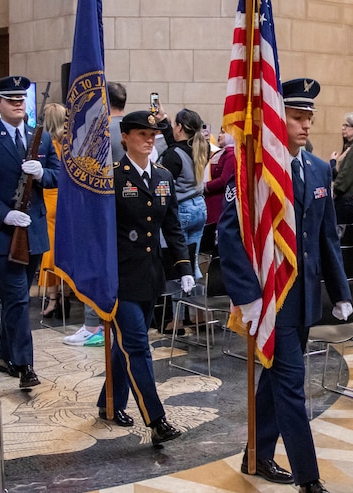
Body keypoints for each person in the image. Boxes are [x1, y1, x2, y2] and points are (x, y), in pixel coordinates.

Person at [218, 77, 352, 493]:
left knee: (276, 381)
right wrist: (248, 298)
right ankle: (308, 479)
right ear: (278, 120)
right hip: (273, 300)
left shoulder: (318, 168)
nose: (306, 124)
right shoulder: (255, 171)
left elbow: (326, 236)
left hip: (306, 296)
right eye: (297, 117)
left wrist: (342, 291)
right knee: (293, 385)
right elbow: (229, 235)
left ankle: (254, 456)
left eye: (309, 117)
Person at [100, 110, 195, 443]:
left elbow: (172, 225)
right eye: (142, 134)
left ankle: (107, 403)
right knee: (138, 345)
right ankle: (156, 420)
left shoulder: (163, 176)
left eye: (153, 134)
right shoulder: (112, 177)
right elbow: (101, 233)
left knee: (126, 344)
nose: (149, 139)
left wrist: (183, 267)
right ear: (125, 137)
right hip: (122, 276)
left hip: (151, 273)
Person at [0, 75, 60, 389]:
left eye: (21, 99)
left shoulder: (40, 139)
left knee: (15, 300)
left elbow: (57, 176)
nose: (18, 104)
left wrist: (43, 172)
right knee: (18, 299)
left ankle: (5, 355)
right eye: (11, 99)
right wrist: (5, 214)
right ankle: (24, 364)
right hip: (3, 234)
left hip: (34, 233)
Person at [158, 107, 208, 279]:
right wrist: (164, 120)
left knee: (177, 263)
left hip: (181, 210)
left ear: (179, 127)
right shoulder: (202, 148)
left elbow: (164, 187)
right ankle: (194, 300)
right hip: (199, 207)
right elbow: (176, 145)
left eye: (173, 125)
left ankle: (178, 303)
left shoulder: (172, 155)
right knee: (192, 262)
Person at [37, 102, 70, 319]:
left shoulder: (43, 142)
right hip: (68, 200)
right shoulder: (71, 141)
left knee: (49, 251)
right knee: (67, 248)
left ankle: (53, 299)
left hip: (49, 198)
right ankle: (67, 297)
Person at [203, 128, 236, 225]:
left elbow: (224, 180)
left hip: (218, 202)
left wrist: (204, 186)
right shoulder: (220, 152)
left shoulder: (231, 154)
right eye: (220, 131)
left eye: (223, 132)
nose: (220, 135)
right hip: (210, 200)